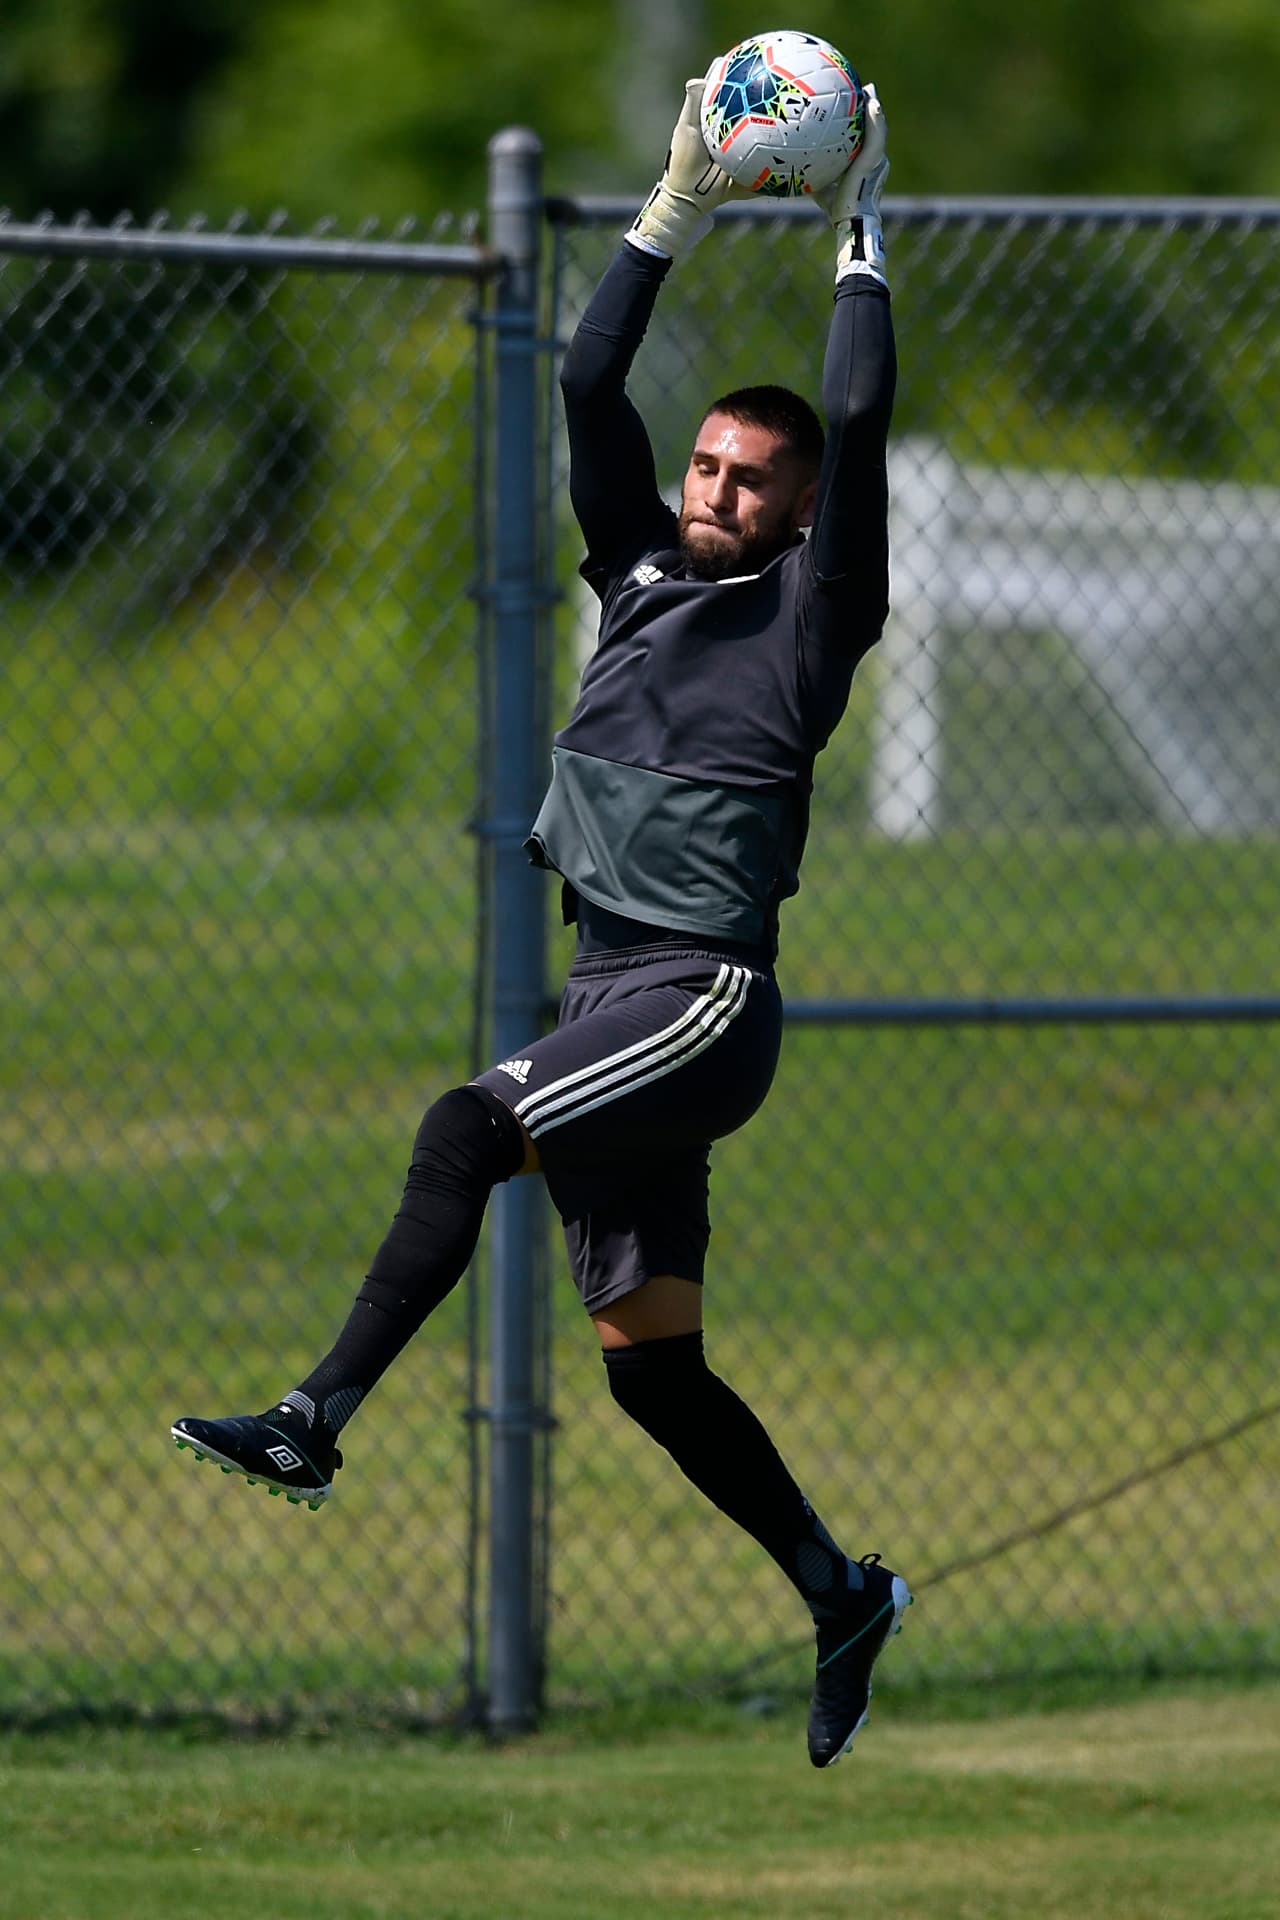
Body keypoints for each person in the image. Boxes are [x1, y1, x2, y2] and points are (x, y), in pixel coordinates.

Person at [172, 76, 909, 1768]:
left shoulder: (814, 616)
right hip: (611, 991)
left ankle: (313, 1419)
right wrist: (676, 208)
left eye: (750, 479)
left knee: (462, 1126)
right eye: (710, 465)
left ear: (797, 517)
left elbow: (860, 425)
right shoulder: (636, 576)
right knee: (651, 1369)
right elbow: (587, 379)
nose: (718, 490)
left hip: (701, 996)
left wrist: (861, 234)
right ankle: (838, 1590)